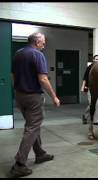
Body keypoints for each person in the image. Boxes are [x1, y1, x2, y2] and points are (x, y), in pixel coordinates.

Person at [10, 32, 60, 177]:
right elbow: (43, 79)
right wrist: (54, 96)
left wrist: (18, 88)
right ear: (37, 42)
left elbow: (12, 75)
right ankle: (19, 164)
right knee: (32, 128)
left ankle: (40, 154)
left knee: (33, 125)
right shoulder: (37, 55)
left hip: (20, 96)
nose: (44, 45)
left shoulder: (18, 53)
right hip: (33, 97)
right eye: (43, 42)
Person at [81, 55, 98, 126]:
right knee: (91, 104)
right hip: (90, 88)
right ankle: (85, 115)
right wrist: (83, 87)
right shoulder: (89, 67)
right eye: (96, 59)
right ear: (93, 60)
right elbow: (85, 78)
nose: (97, 60)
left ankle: (96, 120)